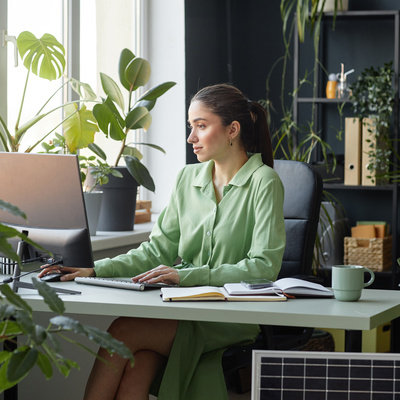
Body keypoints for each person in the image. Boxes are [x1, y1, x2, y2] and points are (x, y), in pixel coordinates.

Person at [39, 83, 286, 400]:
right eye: (190, 127)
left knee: (123, 331)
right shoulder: (187, 178)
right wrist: (93, 269)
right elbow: (156, 251)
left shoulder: (264, 182)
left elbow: (263, 268)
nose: (191, 138)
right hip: (182, 308)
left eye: (201, 126)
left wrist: (186, 276)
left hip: (231, 315)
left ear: (232, 130)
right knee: (137, 370)